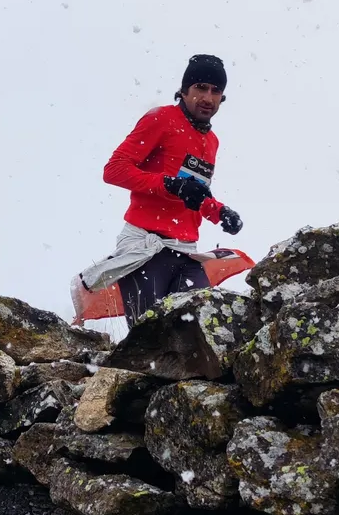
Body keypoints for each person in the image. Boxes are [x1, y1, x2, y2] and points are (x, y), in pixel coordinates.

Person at [82, 54, 245, 320]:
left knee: (201, 328)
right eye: (200, 88)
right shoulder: (161, 119)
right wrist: (169, 184)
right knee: (150, 335)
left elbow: (194, 192)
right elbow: (114, 170)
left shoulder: (212, 141)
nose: (208, 97)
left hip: (187, 252)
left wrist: (219, 212)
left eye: (216, 91)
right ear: (184, 90)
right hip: (147, 246)